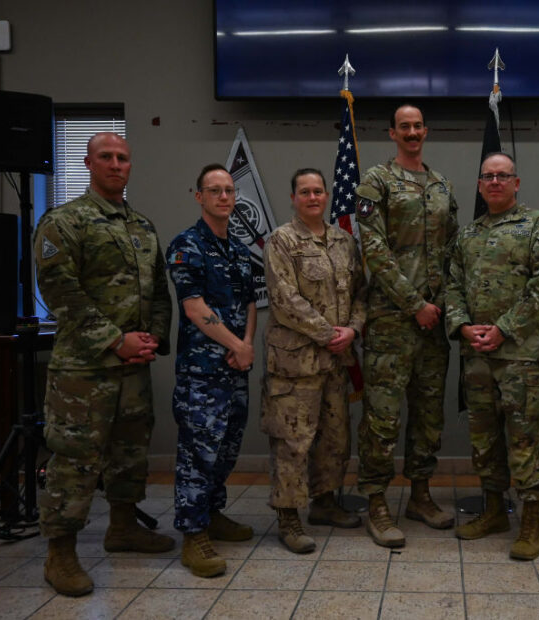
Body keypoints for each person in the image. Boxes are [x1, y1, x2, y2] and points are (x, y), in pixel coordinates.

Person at [34, 132, 173, 597]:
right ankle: (60, 554)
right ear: (89, 164)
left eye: (123, 158)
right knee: (74, 461)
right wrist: (115, 340)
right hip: (84, 371)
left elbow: (157, 291)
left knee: (129, 454)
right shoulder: (64, 221)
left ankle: (122, 528)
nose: (116, 164)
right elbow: (60, 292)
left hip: (133, 367)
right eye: (107, 157)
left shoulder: (142, 226)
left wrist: (151, 338)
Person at [446, 152, 539, 560]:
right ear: (480, 185)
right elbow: (452, 285)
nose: (495, 181)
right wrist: (462, 325)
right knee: (484, 438)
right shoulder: (467, 235)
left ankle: (530, 522)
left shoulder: (537, 226)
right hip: (476, 354)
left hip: (519, 356)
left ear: (516, 182)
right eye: (488, 176)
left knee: (525, 440)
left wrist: (503, 329)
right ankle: (494, 510)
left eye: (503, 175)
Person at [355, 104, 458, 547]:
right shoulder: (376, 182)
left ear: (425, 131)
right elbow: (374, 250)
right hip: (392, 321)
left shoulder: (441, 185)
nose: (412, 132)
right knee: (382, 417)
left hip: (434, 323)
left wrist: (443, 308)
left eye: (418, 126)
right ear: (392, 133)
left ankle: (419, 494)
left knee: (428, 416)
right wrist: (415, 303)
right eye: (405, 127)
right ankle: (376, 501)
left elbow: (453, 249)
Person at [261, 168, 367, 554]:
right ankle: (289, 516)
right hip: (296, 363)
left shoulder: (344, 241)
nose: (312, 197)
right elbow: (284, 299)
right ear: (293, 197)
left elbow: (360, 293)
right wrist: (328, 334)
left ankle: (324, 503)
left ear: (326, 196)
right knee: (293, 441)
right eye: (304, 191)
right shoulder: (282, 241)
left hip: (337, 361)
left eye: (318, 191)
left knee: (335, 439)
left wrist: (352, 330)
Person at [166, 164, 257, 577]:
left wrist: (247, 346)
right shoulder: (187, 246)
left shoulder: (239, 250)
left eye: (228, 190)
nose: (223, 197)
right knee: (197, 455)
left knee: (226, 451)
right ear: (198, 196)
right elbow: (194, 307)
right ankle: (193, 534)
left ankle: (213, 515)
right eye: (214, 190)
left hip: (236, 369)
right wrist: (237, 345)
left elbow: (252, 304)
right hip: (201, 374)